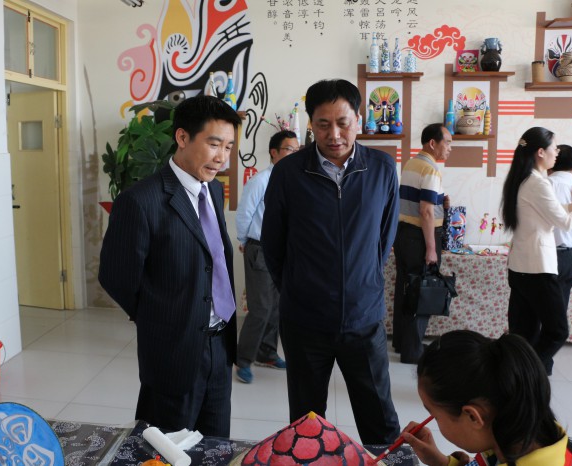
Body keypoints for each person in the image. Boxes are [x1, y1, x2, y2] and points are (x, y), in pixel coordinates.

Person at [262, 79, 401, 444]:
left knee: (381, 421)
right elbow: (273, 244)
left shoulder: (382, 169)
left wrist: (362, 283)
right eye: (323, 124)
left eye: (343, 122)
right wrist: (299, 288)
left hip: (364, 319)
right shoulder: (289, 172)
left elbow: (384, 239)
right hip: (305, 323)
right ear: (311, 124)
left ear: (359, 120)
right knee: (306, 426)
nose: (334, 134)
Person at [98, 95, 241, 437]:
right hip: (173, 351)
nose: (222, 157)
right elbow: (116, 278)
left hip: (220, 345)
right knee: (164, 449)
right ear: (182, 137)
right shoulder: (140, 201)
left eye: (228, 146)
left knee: (214, 446)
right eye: (214, 144)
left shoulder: (212, 192)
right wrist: (162, 316)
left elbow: (213, 260)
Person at [402, 330, 572, 466]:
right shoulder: (520, 432)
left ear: (473, 417)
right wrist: (440, 462)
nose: (431, 421)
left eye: (434, 415)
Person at [501, 127, 572, 375]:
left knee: (523, 334)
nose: (556, 153)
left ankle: (514, 379)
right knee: (557, 331)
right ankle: (527, 373)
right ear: (540, 152)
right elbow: (565, 222)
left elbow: (555, 210)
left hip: (521, 268)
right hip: (537, 269)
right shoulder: (537, 183)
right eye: (553, 148)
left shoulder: (524, 179)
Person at [235, 130, 298, 384]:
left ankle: (267, 353)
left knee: (277, 307)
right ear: (274, 152)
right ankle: (243, 359)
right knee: (260, 309)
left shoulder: (293, 181)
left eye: (297, 150)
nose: (294, 154)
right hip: (259, 248)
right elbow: (244, 213)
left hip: (283, 252)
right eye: (289, 149)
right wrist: (244, 241)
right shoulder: (261, 180)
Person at [392, 124, 452, 364]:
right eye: (447, 142)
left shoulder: (411, 164)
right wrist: (431, 248)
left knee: (405, 287)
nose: (450, 148)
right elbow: (425, 211)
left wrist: (441, 204)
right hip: (420, 237)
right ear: (432, 143)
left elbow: (420, 203)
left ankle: (402, 342)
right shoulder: (430, 169)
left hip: (404, 234)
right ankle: (413, 351)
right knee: (422, 289)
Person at [548, 144, 572, 311]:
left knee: (536, 314)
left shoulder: (544, 185)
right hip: (570, 257)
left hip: (546, 255)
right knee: (558, 314)